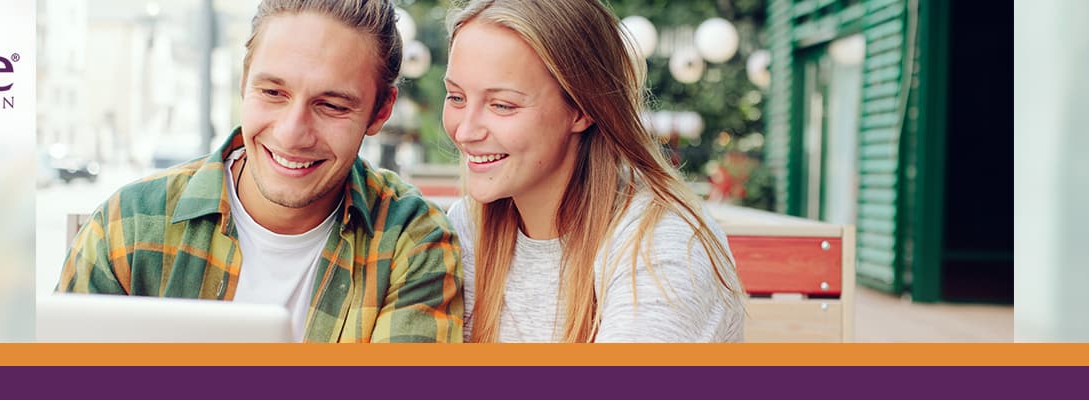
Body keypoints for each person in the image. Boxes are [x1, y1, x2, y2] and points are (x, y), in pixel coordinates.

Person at [57, 0, 463, 343]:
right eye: (272, 92)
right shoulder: (129, 224)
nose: (292, 134)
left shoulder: (411, 242)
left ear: (381, 111)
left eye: (332, 106)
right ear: (244, 81)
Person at [442, 0, 745, 342]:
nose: (465, 131)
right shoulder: (468, 226)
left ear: (581, 110)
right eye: (456, 97)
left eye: (502, 105)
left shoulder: (665, 243)